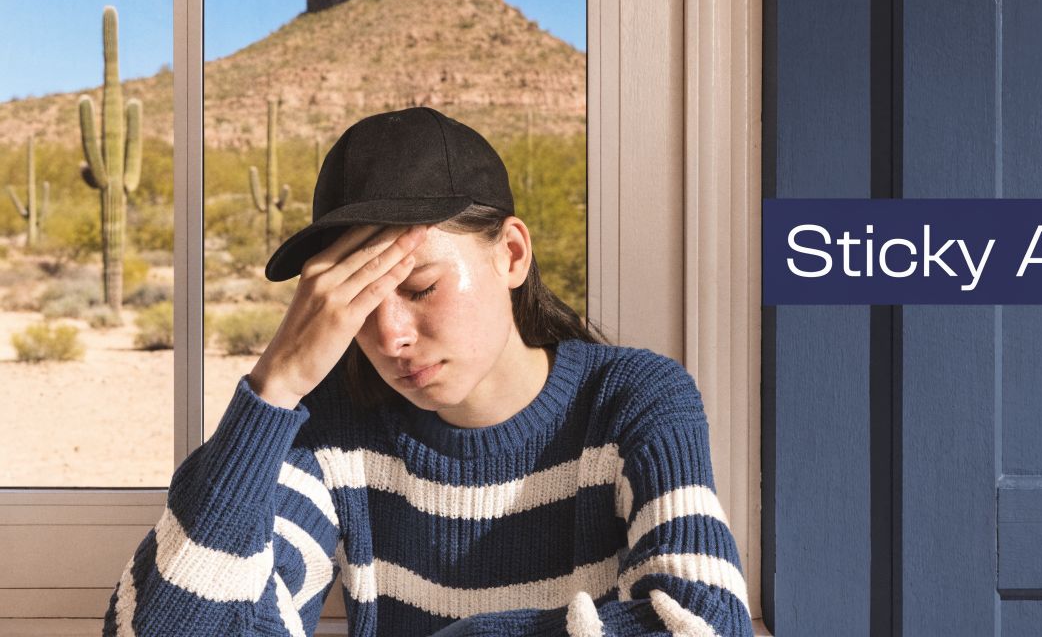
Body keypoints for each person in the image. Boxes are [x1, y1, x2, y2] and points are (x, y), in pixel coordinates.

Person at [102, 107, 752, 636]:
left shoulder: (632, 399)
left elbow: (703, 621)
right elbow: (158, 629)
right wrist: (273, 391)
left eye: (418, 287)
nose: (389, 336)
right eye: (356, 303)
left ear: (513, 255)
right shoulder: (331, 431)